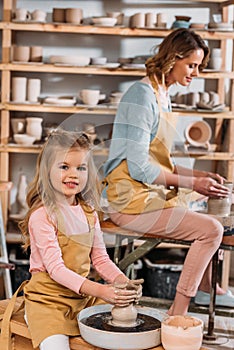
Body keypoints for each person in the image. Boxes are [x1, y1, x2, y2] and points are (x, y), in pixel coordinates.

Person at [103, 28, 234, 315]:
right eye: (191, 65)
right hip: (128, 199)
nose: (196, 73)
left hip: (147, 193)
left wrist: (200, 178)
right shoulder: (142, 95)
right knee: (211, 229)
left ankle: (207, 286)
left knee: (214, 214)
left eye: (199, 66)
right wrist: (191, 183)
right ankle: (179, 312)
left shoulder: (163, 94)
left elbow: (161, 162)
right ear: (172, 58)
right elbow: (139, 168)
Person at [12, 129, 142, 350]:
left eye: (80, 168)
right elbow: (56, 269)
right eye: (64, 167)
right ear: (47, 170)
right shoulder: (42, 216)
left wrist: (122, 283)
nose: (73, 174)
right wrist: (101, 290)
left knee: (120, 333)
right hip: (48, 301)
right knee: (56, 346)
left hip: (81, 298)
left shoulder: (88, 212)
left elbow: (100, 259)